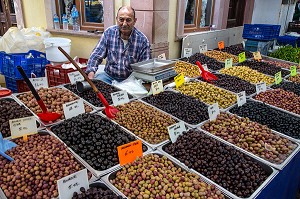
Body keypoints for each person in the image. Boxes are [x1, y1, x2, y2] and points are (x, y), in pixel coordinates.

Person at [86, 6, 151, 84]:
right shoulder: (109, 33)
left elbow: (145, 69)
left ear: (135, 21)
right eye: (121, 19)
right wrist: (90, 74)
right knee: (96, 88)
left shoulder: (142, 40)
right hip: (109, 77)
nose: (124, 24)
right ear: (116, 19)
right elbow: (96, 56)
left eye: (128, 20)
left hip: (130, 80)